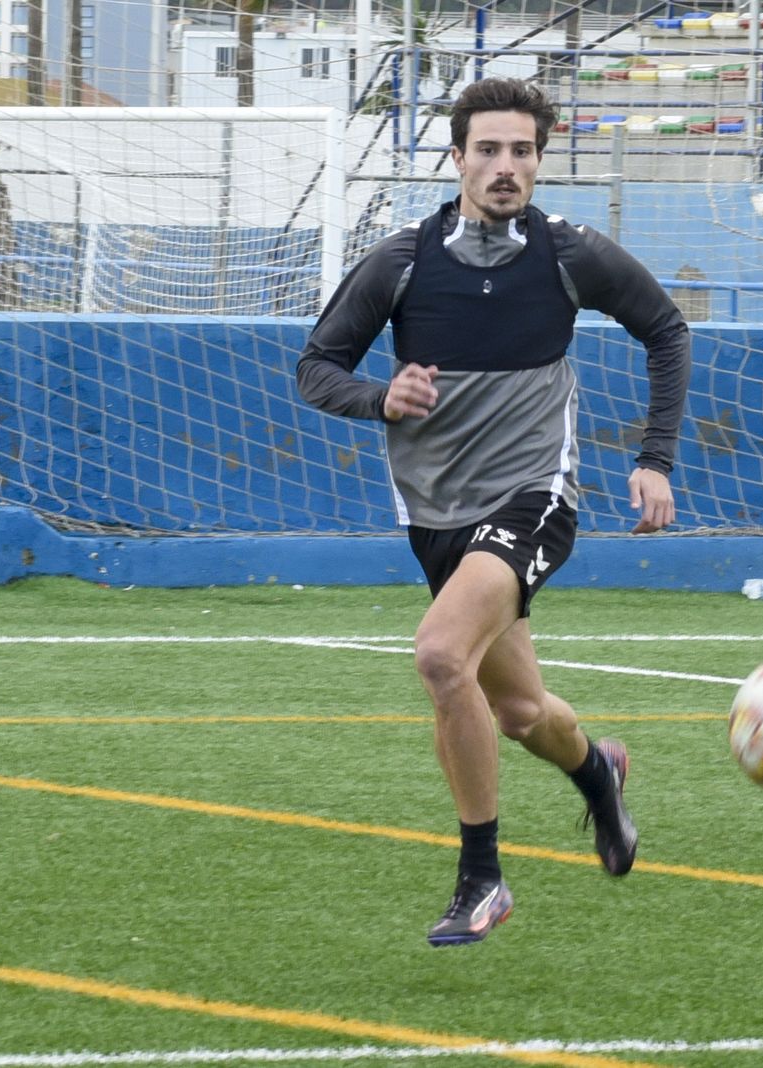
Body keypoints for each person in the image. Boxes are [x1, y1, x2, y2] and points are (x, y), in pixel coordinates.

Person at [297, 77, 691, 944]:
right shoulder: (403, 260)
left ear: (540, 160)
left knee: (442, 656)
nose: (505, 165)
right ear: (457, 158)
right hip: (435, 515)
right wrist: (379, 396)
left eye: (522, 150)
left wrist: (654, 459)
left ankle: (482, 878)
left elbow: (666, 329)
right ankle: (599, 775)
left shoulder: (568, 253)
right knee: (519, 712)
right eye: (488, 149)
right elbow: (316, 367)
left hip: (534, 496)